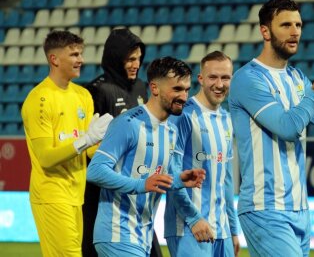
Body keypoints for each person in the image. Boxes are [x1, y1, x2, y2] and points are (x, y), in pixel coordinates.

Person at [228, 0, 314, 257]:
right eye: (286, 24)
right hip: (265, 207)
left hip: (300, 208)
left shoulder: (297, 78)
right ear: (265, 31)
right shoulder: (247, 79)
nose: (295, 31)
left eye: (298, 24)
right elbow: (288, 127)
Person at [86, 56, 206, 257]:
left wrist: (178, 181)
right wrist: (140, 185)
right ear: (155, 88)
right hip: (117, 234)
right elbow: (95, 171)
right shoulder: (128, 123)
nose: (184, 97)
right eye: (177, 89)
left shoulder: (170, 131)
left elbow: (153, 179)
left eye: (186, 89)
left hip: (142, 236)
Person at [21, 30, 113, 257]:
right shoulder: (39, 100)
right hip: (51, 195)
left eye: (80, 53)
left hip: (76, 194)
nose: (80, 59)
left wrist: (115, 152)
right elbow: (46, 157)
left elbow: (91, 148)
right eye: (73, 54)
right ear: (54, 59)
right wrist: (85, 140)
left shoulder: (82, 95)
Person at [82, 28, 163, 257]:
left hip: (135, 188)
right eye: (130, 59)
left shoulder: (139, 88)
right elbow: (90, 147)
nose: (136, 64)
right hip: (102, 194)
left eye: (138, 58)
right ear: (116, 58)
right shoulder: (97, 91)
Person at [164, 51, 240, 257]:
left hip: (221, 230)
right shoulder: (183, 115)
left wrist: (233, 229)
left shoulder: (226, 119)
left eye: (225, 77)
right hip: (189, 228)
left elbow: (226, 180)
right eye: (213, 77)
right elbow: (171, 173)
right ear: (200, 79)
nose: (220, 84)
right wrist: (193, 218)